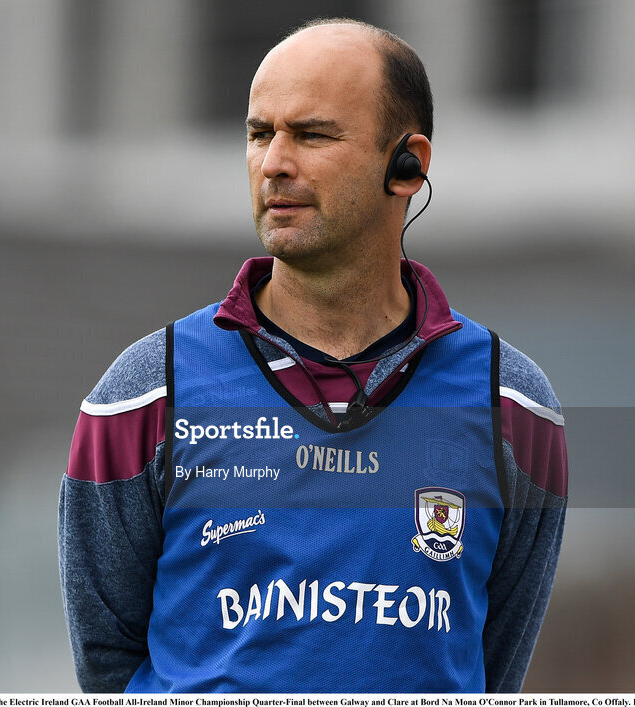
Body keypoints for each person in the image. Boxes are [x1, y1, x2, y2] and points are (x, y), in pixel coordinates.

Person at [59, 18, 567, 693]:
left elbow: (490, 669)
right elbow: (105, 665)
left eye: (311, 134)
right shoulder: (145, 391)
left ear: (406, 164)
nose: (273, 162)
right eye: (259, 133)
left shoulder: (513, 405)